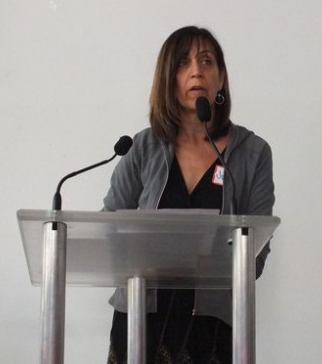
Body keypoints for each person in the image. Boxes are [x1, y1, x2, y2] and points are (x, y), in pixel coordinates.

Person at [103, 26, 275, 364]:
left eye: (206, 61)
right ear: (168, 79)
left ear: (221, 78)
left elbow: (256, 253)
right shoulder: (143, 147)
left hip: (211, 329)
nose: (196, 71)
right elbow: (109, 230)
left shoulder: (253, 152)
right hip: (140, 321)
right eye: (183, 63)